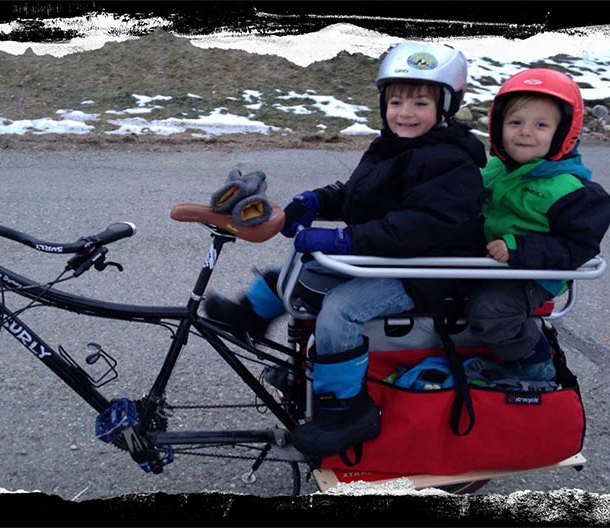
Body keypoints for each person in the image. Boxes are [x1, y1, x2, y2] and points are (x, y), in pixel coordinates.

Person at [205, 41, 488, 458]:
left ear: (445, 106)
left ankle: (346, 412)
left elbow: (422, 228)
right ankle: (250, 318)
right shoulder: (392, 145)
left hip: (427, 273)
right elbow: (361, 196)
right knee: (296, 275)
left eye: (420, 102)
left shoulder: (450, 161)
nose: (405, 113)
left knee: (341, 309)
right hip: (386, 258)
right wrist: (315, 202)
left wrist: (345, 240)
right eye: (396, 101)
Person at [465, 68, 610, 382]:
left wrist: (519, 247)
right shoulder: (493, 168)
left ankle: (532, 359)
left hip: (535, 271)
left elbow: (578, 246)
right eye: (515, 122)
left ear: (564, 133)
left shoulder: (568, 189)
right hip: (491, 259)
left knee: (491, 310)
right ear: (498, 126)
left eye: (541, 125)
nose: (525, 132)